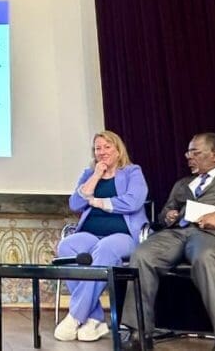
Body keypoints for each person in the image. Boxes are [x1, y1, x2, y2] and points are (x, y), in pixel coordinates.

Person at [120, 132, 215, 351]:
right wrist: (168, 216)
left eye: (195, 152)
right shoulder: (183, 183)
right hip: (177, 233)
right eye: (188, 153)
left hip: (214, 235)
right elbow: (166, 211)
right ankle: (139, 332)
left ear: (214, 155)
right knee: (142, 254)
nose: (189, 157)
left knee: (205, 257)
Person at [53, 130, 149, 342]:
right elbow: (75, 204)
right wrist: (96, 176)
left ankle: (75, 316)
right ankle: (94, 318)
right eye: (98, 148)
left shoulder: (132, 172)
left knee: (106, 247)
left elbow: (134, 201)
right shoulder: (89, 174)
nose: (102, 152)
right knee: (67, 247)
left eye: (107, 147)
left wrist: (99, 202)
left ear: (118, 150)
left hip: (123, 235)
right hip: (90, 233)